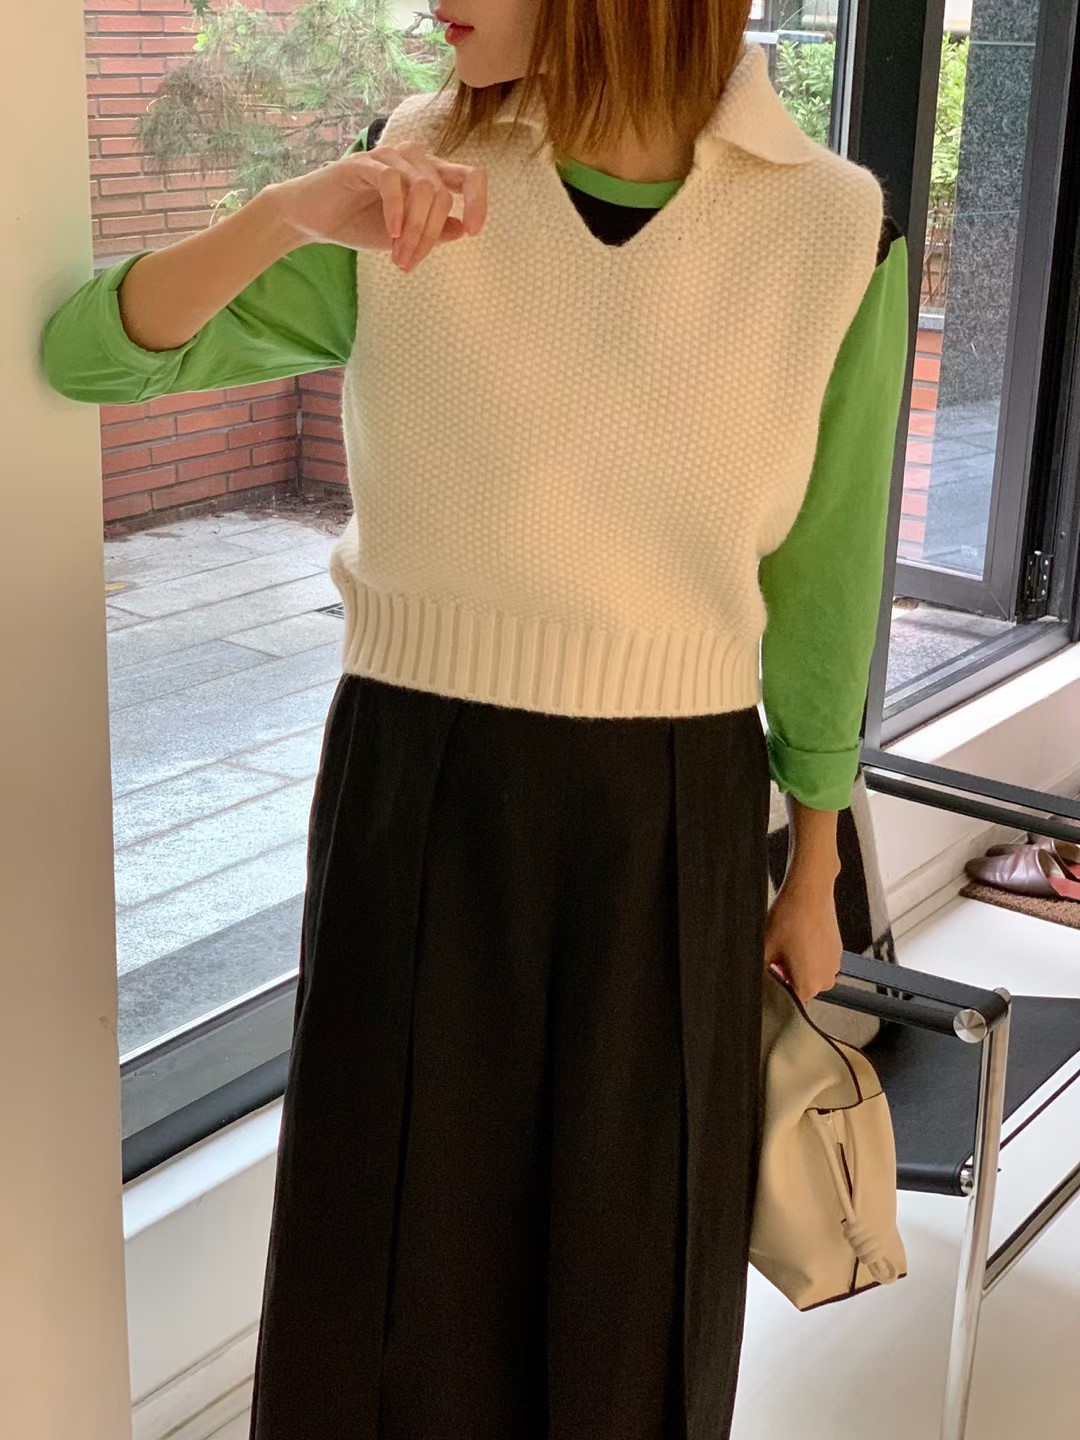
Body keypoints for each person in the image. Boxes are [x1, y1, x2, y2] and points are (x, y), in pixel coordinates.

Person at [41, 3, 909, 1436]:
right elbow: (93, 355)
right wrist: (289, 210)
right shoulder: (413, 182)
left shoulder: (832, 228)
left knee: (636, 1267)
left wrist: (813, 864)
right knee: (386, 1254)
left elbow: (824, 582)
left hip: (671, 808)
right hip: (417, 783)